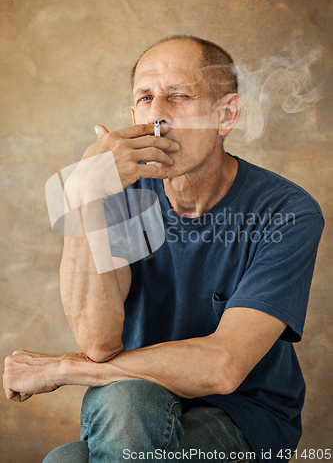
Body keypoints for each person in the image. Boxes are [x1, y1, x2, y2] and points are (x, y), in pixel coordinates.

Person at [3, 35, 324, 463]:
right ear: (132, 113)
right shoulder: (120, 194)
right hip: (131, 395)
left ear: (225, 114)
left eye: (178, 96)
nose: (157, 116)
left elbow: (222, 366)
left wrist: (64, 369)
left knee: (85, 443)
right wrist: (83, 196)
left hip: (244, 413)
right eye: (146, 98)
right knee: (117, 413)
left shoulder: (285, 211)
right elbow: (99, 344)